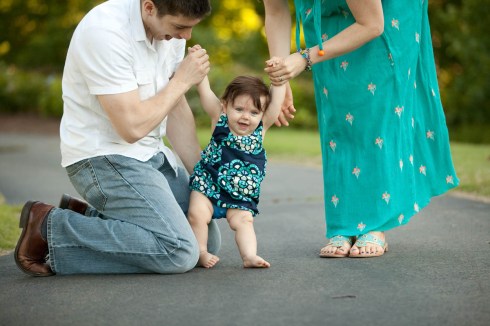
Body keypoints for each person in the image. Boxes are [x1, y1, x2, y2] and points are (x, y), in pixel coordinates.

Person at [14, 0, 222, 276]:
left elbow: (176, 107)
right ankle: (50, 227)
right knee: (180, 251)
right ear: (149, 7)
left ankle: (86, 218)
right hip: (103, 158)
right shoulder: (104, 32)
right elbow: (131, 128)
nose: (186, 36)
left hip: (151, 155)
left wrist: (204, 179)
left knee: (206, 239)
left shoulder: (168, 33)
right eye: (180, 27)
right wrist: (182, 80)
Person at [263, 0, 459, 257]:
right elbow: (276, 11)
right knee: (338, 114)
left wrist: (304, 58)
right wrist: (280, 79)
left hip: (385, 18)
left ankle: (375, 223)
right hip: (325, 20)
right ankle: (344, 223)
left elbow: (372, 23)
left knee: (376, 114)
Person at [187, 46, 286, 268]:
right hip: (208, 183)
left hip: (240, 192)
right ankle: (201, 251)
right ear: (225, 106)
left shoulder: (261, 128)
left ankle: (249, 256)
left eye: (253, 112)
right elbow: (205, 91)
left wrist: (278, 77)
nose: (245, 117)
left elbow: (276, 101)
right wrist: (199, 68)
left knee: (243, 221)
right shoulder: (219, 118)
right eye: (239, 109)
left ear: (262, 114)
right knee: (197, 214)